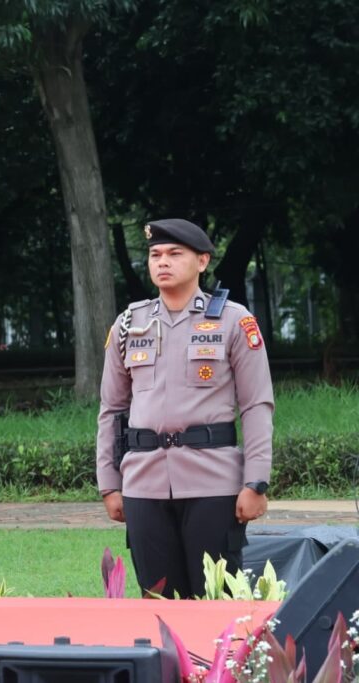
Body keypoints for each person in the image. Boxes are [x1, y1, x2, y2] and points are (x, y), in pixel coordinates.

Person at [96, 219, 273, 599]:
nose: (163, 262)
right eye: (155, 255)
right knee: (157, 600)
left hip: (213, 481)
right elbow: (112, 409)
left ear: (203, 261)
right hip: (143, 482)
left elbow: (256, 404)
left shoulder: (233, 321)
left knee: (217, 600)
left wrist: (255, 482)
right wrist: (109, 483)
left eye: (176, 254)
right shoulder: (129, 325)